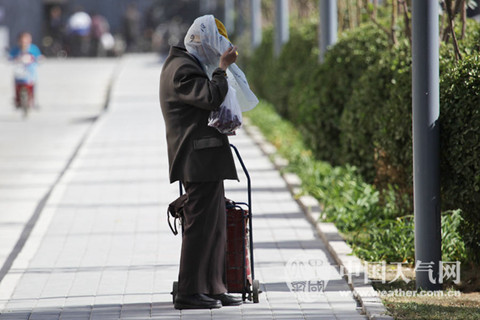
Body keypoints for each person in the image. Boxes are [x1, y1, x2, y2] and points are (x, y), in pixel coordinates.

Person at [159, 16, 242, 310]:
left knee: (215, 224)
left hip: (205, 156)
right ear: (201, 42)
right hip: (196, 157)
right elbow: (208, 97)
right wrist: (222, 69)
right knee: (199, 226)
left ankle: (213, 287)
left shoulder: (185, 65)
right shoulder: (181, 69)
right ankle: (189, 291)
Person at [9, 32, 43, 108]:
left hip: (30, 71)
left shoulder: (33, 48)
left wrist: (39, 59)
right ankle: (17, 99)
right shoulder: (16, 50)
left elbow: (39, 57)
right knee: (16, 84)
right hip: (19, 71)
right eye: (22, 41)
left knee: (32, 85)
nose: (24, 43)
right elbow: (10, 57)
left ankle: (33, 100)